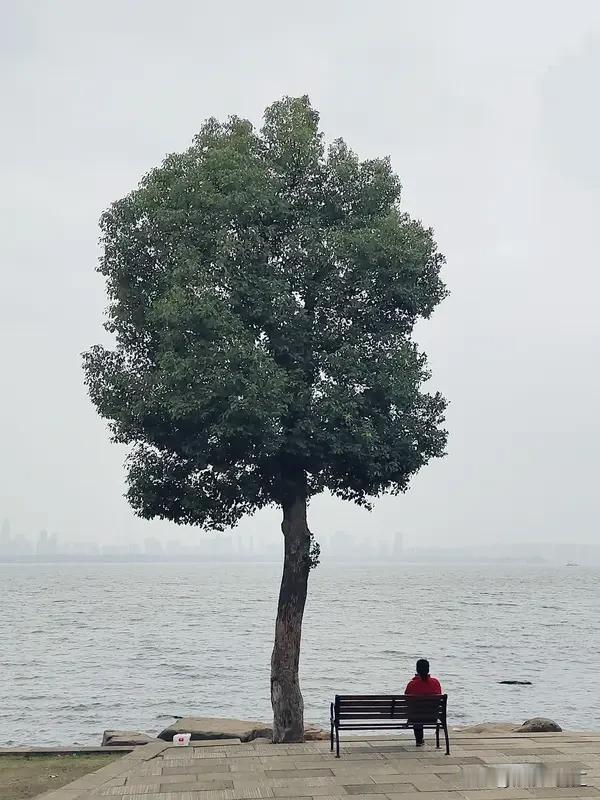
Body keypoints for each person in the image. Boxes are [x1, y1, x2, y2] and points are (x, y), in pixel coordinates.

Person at [405, 658, 442, 746]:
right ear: (428, 669)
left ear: (417, 669)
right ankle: (420, 740)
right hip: (432, 717)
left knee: (416, 712)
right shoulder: (435, 682)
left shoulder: (412, 684)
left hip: (415, 717)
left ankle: (419, 740)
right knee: (419, 711)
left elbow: (406, 699)